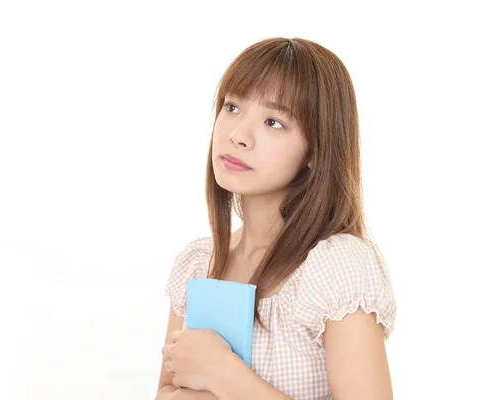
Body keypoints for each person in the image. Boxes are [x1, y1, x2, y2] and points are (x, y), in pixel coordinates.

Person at [155, 37, 397, 400]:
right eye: (232, 107)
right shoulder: (198, 264)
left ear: (316, 150)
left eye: (273, 121)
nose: (237, 136)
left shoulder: (335, 267)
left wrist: (222, 374)